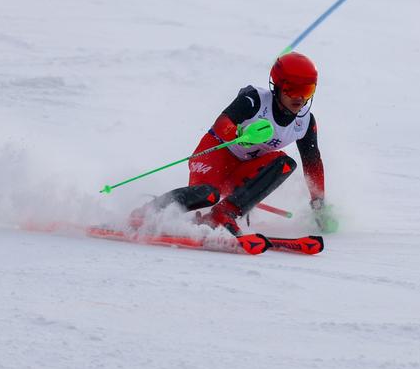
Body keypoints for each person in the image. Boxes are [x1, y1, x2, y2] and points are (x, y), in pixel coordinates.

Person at [129, 51, 336, 240]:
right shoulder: (254, 100)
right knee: (209, 194)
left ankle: (224, 213)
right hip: (215, 155)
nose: (299, 98)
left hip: (244, 168)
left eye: (307, 90)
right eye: (292, 89)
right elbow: (222, 122)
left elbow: (312, 163)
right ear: (279, 85)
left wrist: (318, 204)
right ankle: (148, 211)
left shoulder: (305, 122)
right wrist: (238, 134)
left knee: (286, 164)